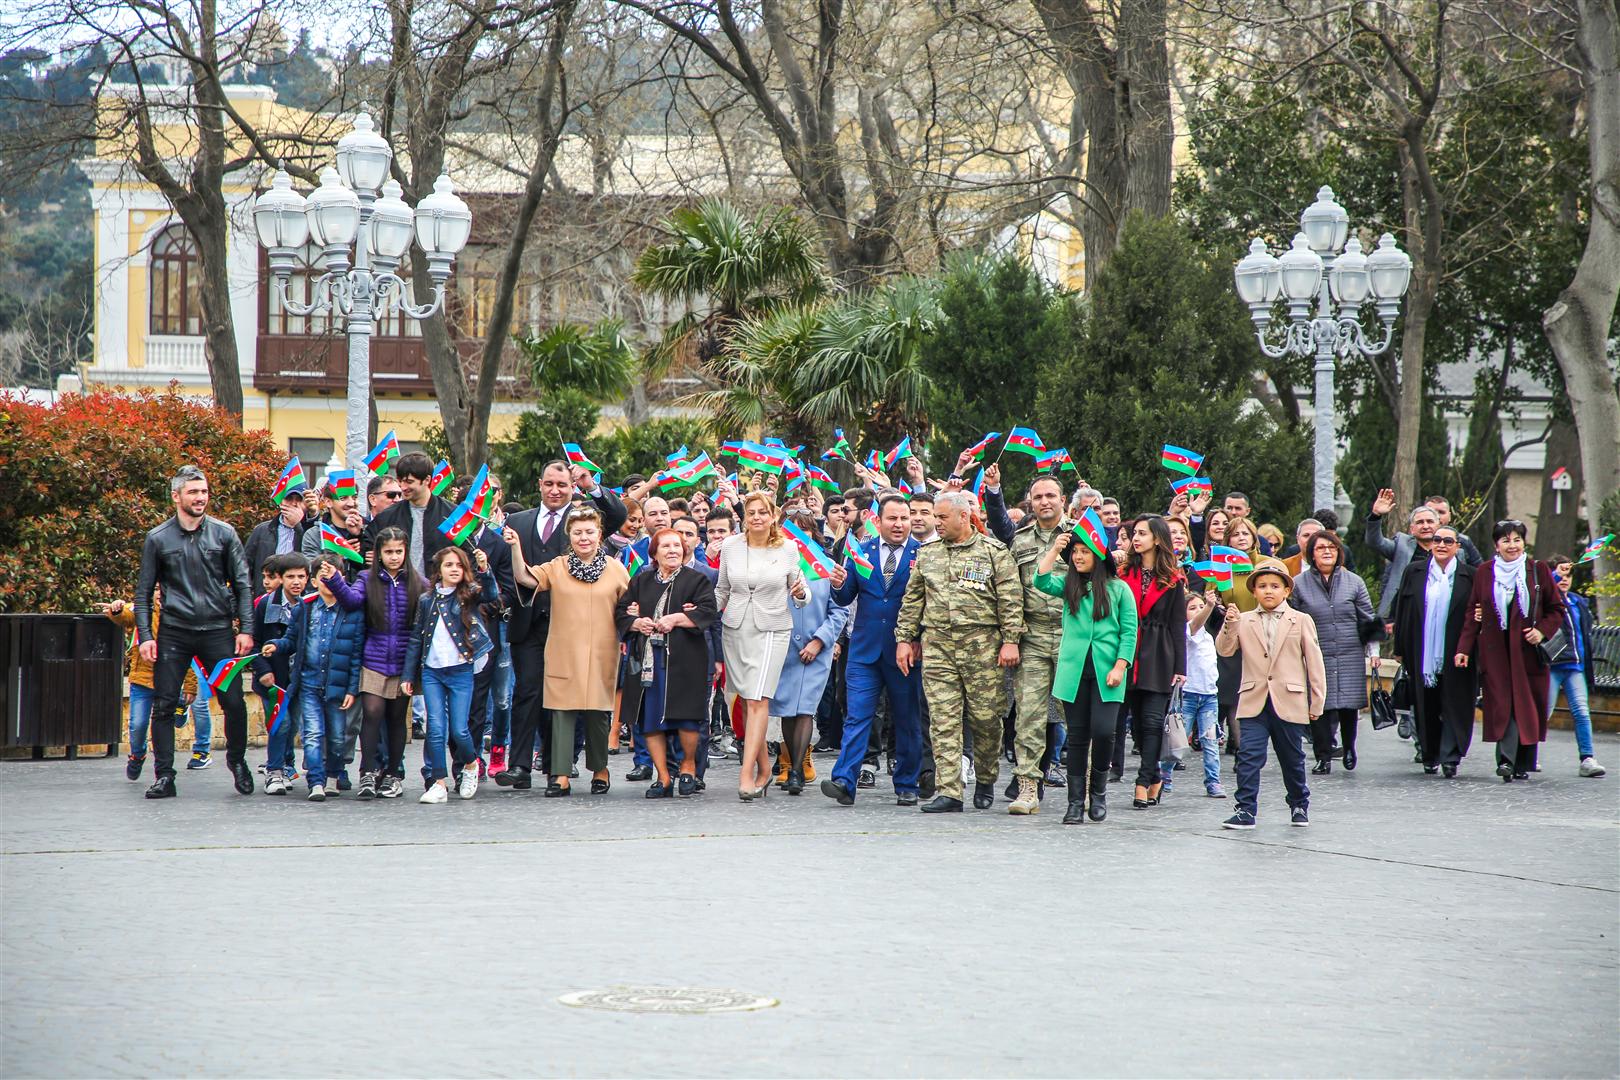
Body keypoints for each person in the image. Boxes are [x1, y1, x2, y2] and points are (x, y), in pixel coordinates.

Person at [498, 461, 627, 791]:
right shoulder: (554, 560)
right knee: (553, 703)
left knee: (597, 710)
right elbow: (525, 578)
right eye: (549, 484)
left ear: (600, 533)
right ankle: (549, 771)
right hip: (551, 637)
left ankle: (600, 770)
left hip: (600, 645)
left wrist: (634, 627)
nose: (555, 490)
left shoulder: (614, 567)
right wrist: (515, 550)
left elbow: (629, 605)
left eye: (563, 484)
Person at [895, 490, 1025, 813]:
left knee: (985, 719)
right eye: (934, 517)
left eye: (941, 517)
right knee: (943, 720)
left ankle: (985, 777)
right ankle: (949, 790)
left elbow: (1011, 599)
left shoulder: (994, 552)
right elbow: (913, 601)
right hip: (938, 647)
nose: (935, 523)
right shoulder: (928, 554)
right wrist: (904, 638)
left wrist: (1011, 639)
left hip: (982, 648)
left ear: (964, 517)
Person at [134, 466, 256, 799]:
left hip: (217, 629)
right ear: (176, 496)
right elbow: (143, 592)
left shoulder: (224, 533)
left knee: (233, 701)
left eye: (203, 491)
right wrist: (146, 635)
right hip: (174, 630)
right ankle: (164, 775)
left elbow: (244, 584)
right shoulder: (158, 538)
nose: (200, 497)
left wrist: (246, 629)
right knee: (164, 704)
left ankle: (238, 762)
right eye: (193, 492)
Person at [823, 494, 927, 806]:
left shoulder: (923, 555)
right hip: (864, 651)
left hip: (904, 651)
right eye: (892, 518)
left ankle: (907, 782)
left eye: (904, 518)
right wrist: (839, 583)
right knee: (857, 717)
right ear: (877, 521)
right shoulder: (860, 552)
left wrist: (918, 639)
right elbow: (844, 599)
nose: (899, 524)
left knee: (907, 718)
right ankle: (844, 780)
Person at [1033, 529, 1137, 824]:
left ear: (1099, 555)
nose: (1078, 556)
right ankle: (1075, 802)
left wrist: (1120, 665)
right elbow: (1039, 579)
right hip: (1074, 672)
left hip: (1108, 673)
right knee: (1077, 737)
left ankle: (1099, 793)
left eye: (1084, 551)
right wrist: (1055, 549)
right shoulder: (1069, 585)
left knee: (1104, 732)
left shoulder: (1119, 589)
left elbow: (1129, 632)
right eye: (1075, 552)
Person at [1217, 559, 1327, 829]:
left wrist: (1317, 700)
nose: (1268, 591)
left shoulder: (1300, 620)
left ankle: (1299, 803)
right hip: (1254, 699)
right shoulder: (1243, 619)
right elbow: (1225, 650)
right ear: (1253, 590)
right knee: (1249, 755)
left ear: (1286, 591)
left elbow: (1314, 661)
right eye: (1262, 586)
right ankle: (1245, 809)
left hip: (1289, 699)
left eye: (1275, 586)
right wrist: (1229, 625)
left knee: (1292, 758)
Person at [1455, 521, 1565, 782]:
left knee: (1526, 705)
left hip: (1527, 651)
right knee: (1504, 703)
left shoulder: (1537, 570)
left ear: (1524, 543)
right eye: (1506, 541)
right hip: (1496, 651)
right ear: (1496, 545)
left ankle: (1521, 762)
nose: (1512, 545)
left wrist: (1541, 632)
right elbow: (1473, 612)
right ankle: (1505, 760)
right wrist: (1464, 648)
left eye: (1516, 540)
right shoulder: (1484, 572)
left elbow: (1556, 609)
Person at [716, 491, 808, 800]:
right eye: (750, 512)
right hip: (736, 628)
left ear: (773, 516)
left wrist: (798, 593)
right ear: (743, 516)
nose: (756, 517)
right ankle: (766, 769)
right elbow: (722, 590)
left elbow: (802, 591)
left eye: (762, 512)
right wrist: (697, 612)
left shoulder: (788, 549)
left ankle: (746, 775)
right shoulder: (730, 547)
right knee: (741, 699)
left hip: (773, 628)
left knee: (758, 699)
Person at [616, 528, 719, 797]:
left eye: (677, 545)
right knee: (650, 719)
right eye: (666, 546)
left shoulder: (696, 580)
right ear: (655, 552)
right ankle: (662, 777)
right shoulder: (642, 580)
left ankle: (687, 766)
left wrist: (675, 619)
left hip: (686, 659)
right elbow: (621, 611)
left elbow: (708, 612)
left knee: (686, 716)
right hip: (648, 660)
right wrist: (637, 622)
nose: (672, 550)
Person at [327, 526, 425, 799]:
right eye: (388, 552)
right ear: (378, 554)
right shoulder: (366, 579)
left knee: (396, 720)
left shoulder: (418, 582)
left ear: (405, 552)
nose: (394, 557)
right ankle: (368, 771)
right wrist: (335, 580)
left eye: (398, 551)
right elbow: (351, 600)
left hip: (404, 662)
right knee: (371, 713)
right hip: (373, 657)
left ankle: (393, 774)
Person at [259, 554, 365, 801]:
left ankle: (333, 774)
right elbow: (292, 640)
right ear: (314, 582)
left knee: (338, 737)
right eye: (323, 577)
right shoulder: (304, 608)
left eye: (333, 577)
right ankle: (315, 781)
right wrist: (276, 645)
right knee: (313, 734)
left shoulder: (353, 613)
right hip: (309, 682)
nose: (328, 582)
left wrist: (352, 689)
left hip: (337, 686)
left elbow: (356, 655)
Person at [402, 546, 499, 803]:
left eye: (458, 565)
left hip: (460, 670)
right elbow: (416, 638)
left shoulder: (469, 595)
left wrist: (484, 569)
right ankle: (439, 783)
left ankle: (470, 764)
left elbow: (491, 593)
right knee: (435, 728)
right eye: (448, 565)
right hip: (433, 671)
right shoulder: (426, 600)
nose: (454, 569)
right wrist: (408, 676)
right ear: (439, 570)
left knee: (459, 729)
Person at [768, 509, 851, 795]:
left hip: (816, 649)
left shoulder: (826, 566)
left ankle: (796, 772)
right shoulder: (773, 564)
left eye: (803, 531)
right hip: (783, 646)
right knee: (787, 710)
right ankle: (790, 760)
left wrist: (821, 641)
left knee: (805, 708)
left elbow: (840, 610)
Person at [1390, 524, 1478, 777]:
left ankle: (1451, 756)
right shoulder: (1414, 572)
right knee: (1426, 703)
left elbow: (1477, 613)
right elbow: (1403, 611)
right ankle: (1429, 753)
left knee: (1456, 703)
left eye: (1448, 541)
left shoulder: (1469, 575)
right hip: (1422, 650)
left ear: (1457, 547)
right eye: (1437, 540)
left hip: (1457, 652)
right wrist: (1400, 648)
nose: (1441, 545)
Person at [1289, 530, 1378, 775]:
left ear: (1339, 552)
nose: (1327, 551)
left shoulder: (1354, 581)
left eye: (1332, 547)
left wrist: (1374, 650)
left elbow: (1367, 618)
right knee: (1320, 707)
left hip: (1349, 651)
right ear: (1312, 554)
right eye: (1320, 548)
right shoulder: (1298, 583)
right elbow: (1292, 619)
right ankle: (1323, 756)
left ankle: (1349, 747)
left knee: (1348, 705)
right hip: (1317, 652)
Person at [1004, 475, 1072, 797]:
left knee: (1078, 716)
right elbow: (1012, 593)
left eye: (1051, 495)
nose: (1045, 501)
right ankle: (1028, 787)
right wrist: (1012, 637)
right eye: (1038, 496)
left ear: (1063, 499)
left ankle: (1084, 788)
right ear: (1030, 501)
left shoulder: (1081, 536)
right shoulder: (1019, 541)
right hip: (1032, 637)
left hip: (1073, 635)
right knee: (1028, 715)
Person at [1118, 515, 1187, 810]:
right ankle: (1155, 775)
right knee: (1135, 722)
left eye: (1142, 533)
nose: (1136, 538)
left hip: (1160, 653)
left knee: (1152, 721)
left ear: (1157, 539)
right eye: (1134, 533)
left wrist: (1180, 668)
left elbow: (1178, 626)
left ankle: (1143, 781)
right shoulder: (1122, 572)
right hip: (1129, 650)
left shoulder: (1173, 578)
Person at [103, 594, 200, 782]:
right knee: (137, 725)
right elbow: (125, 618)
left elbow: (185, 654)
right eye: (155, 588)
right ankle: (138, 754)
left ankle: (181, 706)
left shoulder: (181, 614)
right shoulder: (141, 609)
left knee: (166, 723)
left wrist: (190, 684)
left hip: (168, 679)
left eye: (162, 588)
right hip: (142, 679)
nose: (159, 593)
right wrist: (116, 610)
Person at [249, 553, 309, 790]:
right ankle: (274, 770)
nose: (296, 582)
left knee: (293, 724)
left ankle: (286, 764)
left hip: (299, 677)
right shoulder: (266, 604)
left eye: (301, 577)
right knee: (279, 723)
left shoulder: (310, 603)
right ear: (281, 579)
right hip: (272, 678)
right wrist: (262, 670)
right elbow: (254, 641)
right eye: (290, 576)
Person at [1544, 555, 1606, 778]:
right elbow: (1542, 587)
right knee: (1544, 711)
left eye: (1568, 574)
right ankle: (1529, 754)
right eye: (1560, 574)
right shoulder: (1545, 600)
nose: (1564, 579)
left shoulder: (1577, 602)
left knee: (1581, 711)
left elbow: (1584, 635)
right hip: (1552, 664)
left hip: (1575, 666)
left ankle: (1587, 758)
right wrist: (1554, 574)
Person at [364, 452, 458, 581]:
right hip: (398, 593)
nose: (403, 487)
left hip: (439, 593)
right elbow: (366, 551)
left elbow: (467, 555)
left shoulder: (452, 515)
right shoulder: (387, 516)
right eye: (400, 481)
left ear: (427, 480)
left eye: (409, 482)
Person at [1365, 489, 1440, 625]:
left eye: (1430, 521)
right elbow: (1375, 542)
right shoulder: (1401, 545)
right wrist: (1376, 515)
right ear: (1412, 529)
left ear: (1439, 525)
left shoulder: (1451, 549)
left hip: (1438, 615)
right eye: (1420, 522)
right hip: (1404, 617)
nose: (1425, 526)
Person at [1179, 592, 1226, 798]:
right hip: (1189, 695)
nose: (1198, 611)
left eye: (1200, 606)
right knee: (1178, 741)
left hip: (1209, 696)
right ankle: (1163, 776)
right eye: (1192, 608)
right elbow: (1196, 624)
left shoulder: (1208, 635)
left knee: (1210, 742)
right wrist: (1208, 606)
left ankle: (1213, 781)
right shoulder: (1188, 631)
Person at [243, 492, 311, 597]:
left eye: (298, 499)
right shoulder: (262, 530)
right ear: (281, 502)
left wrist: (299, 525)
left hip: (298, 601)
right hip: (265, 598)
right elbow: (245, 568)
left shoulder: (309, 531)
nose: (294, 504)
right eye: (289, 499)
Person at [1423, 496, 1483, 565]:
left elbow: (1480, 571)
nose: (1437, 516)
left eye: (1441, 512)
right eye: (1432, 512)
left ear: (1449, 516)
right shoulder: (1411, 543)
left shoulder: (1463, 541)